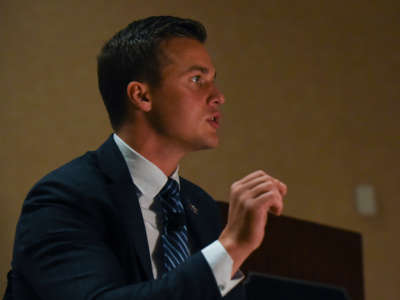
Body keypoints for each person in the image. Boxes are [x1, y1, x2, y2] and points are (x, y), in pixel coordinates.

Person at [4, 16, 286, 300]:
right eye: (197, 79)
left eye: (213, 80)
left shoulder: (201, 207)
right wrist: (232, 246)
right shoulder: (63, 198)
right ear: (142, 96)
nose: (218, 96)